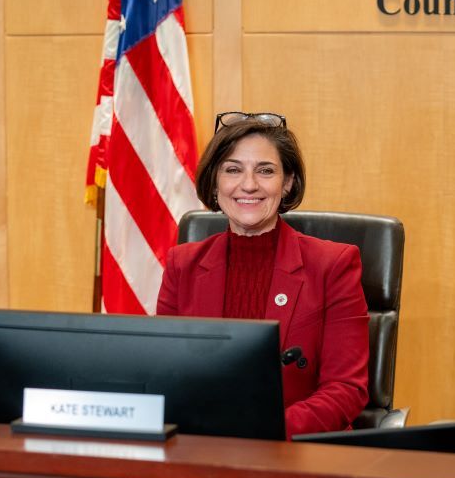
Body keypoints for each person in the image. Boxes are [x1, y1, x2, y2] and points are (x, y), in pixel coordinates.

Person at [157, 111, 369, 439]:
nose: (249, 185)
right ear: (215, 181)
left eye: (265, 171)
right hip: (201, 449)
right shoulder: (182, 265)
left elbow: (345, 390)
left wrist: (263, 431)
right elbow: (167, 376)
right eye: (232, 170)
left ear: (288, 183)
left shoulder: (334, 265)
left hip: (295, 453)